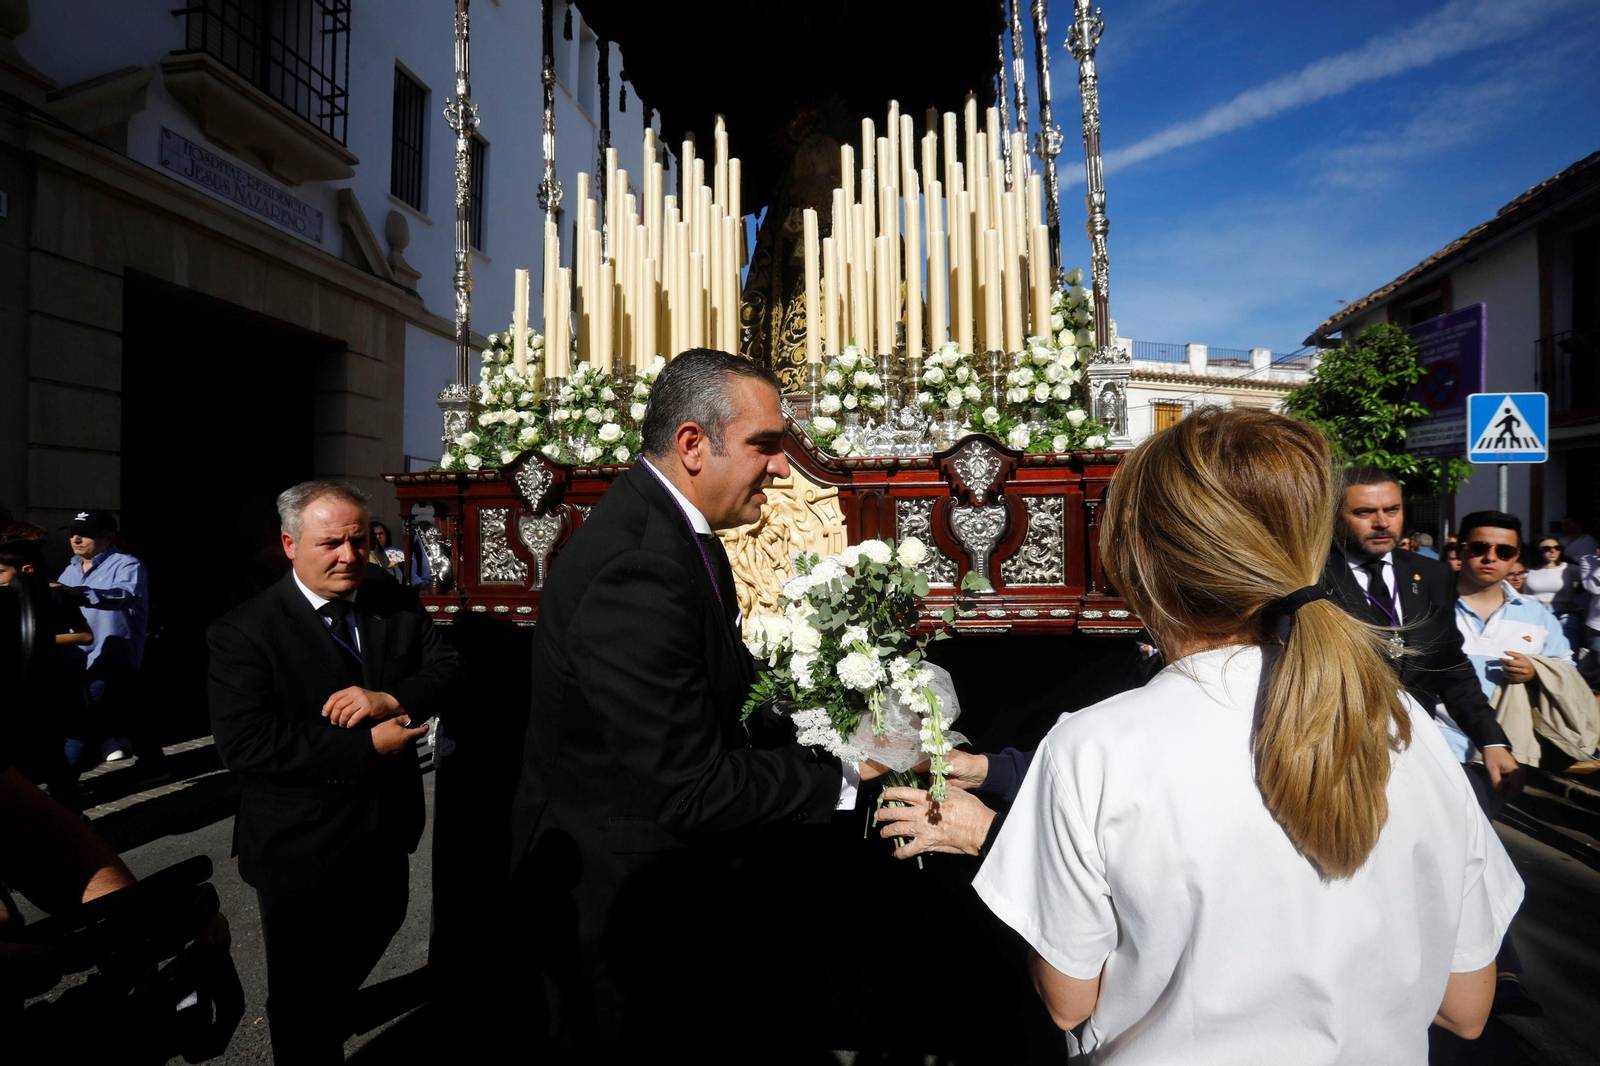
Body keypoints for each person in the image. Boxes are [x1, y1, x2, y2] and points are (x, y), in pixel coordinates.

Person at [972, 408, 1519, 1060]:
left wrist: (1000, 842)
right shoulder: (1408, 729)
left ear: (1138, 556)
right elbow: (1466, 1007)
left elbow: (1069, 1001)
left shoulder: (1091, 749)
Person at [508, 349, 864, 1058]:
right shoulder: (638, 565)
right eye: (766, 445)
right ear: (694, 444)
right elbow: (689, 788)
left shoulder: (678, 532)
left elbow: (714, 684)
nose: (783, 467)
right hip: (625, 921)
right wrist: (850, 772)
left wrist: (826, 714)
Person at [207, 481, 459, 1064]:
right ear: (289, 544)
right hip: (299, 844)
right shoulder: (244, 631)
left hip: (385, 830)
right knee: (300, 997)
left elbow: (450, 668)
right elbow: (246, 744)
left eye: (359, 541)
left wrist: (391, 698)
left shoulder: (391, 598)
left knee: (379, 924)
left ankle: (324, 1013)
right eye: (331, 544)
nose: (349, 556)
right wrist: (366, 745)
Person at [53, 510, 155, 772]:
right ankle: (153, 762)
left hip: (112, 658)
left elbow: (125, 595)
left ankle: (60, 788)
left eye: (85, 534)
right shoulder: (70, 569)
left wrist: (78, 594)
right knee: (125, 712)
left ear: (108, 538)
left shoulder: (127, 565)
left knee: (80, 723)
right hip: (78, 657)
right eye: (73, 534)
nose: (76, 539)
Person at [1525, 537, 1588, 649]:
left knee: (1569, 648)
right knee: (1538, 649)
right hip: (1537, 613)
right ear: (1537, 550)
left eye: (1557, 548)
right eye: (1547, 548)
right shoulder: (1529, 571)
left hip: (1564, 613)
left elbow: (1590, 582)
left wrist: (1578, 600)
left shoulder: (1567, 568)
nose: (1553, 551)